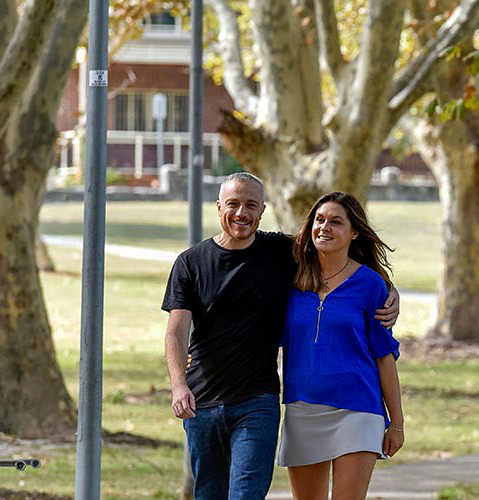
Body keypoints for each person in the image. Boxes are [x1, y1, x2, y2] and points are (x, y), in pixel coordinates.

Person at [162, 173, 399, 500]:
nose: (241, 213)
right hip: (207, 400)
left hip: (258, 402)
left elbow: (339, 262)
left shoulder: (280, 252)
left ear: (262, 210)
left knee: (246, 495)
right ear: (218, 207)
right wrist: (178, 383)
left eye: (250, 205)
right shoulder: (190, 263)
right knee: (209, 494)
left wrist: (389, 290)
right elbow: (176, 331)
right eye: (233, 204)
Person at [277, 192, 404, 500]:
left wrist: (396, 423)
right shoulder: (289, 278)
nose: (325, 228)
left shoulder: (371, 285)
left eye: (336, 222)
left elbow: (384, 357)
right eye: (319, 220)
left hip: (358, 409)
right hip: (303, 407)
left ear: (354, 232)